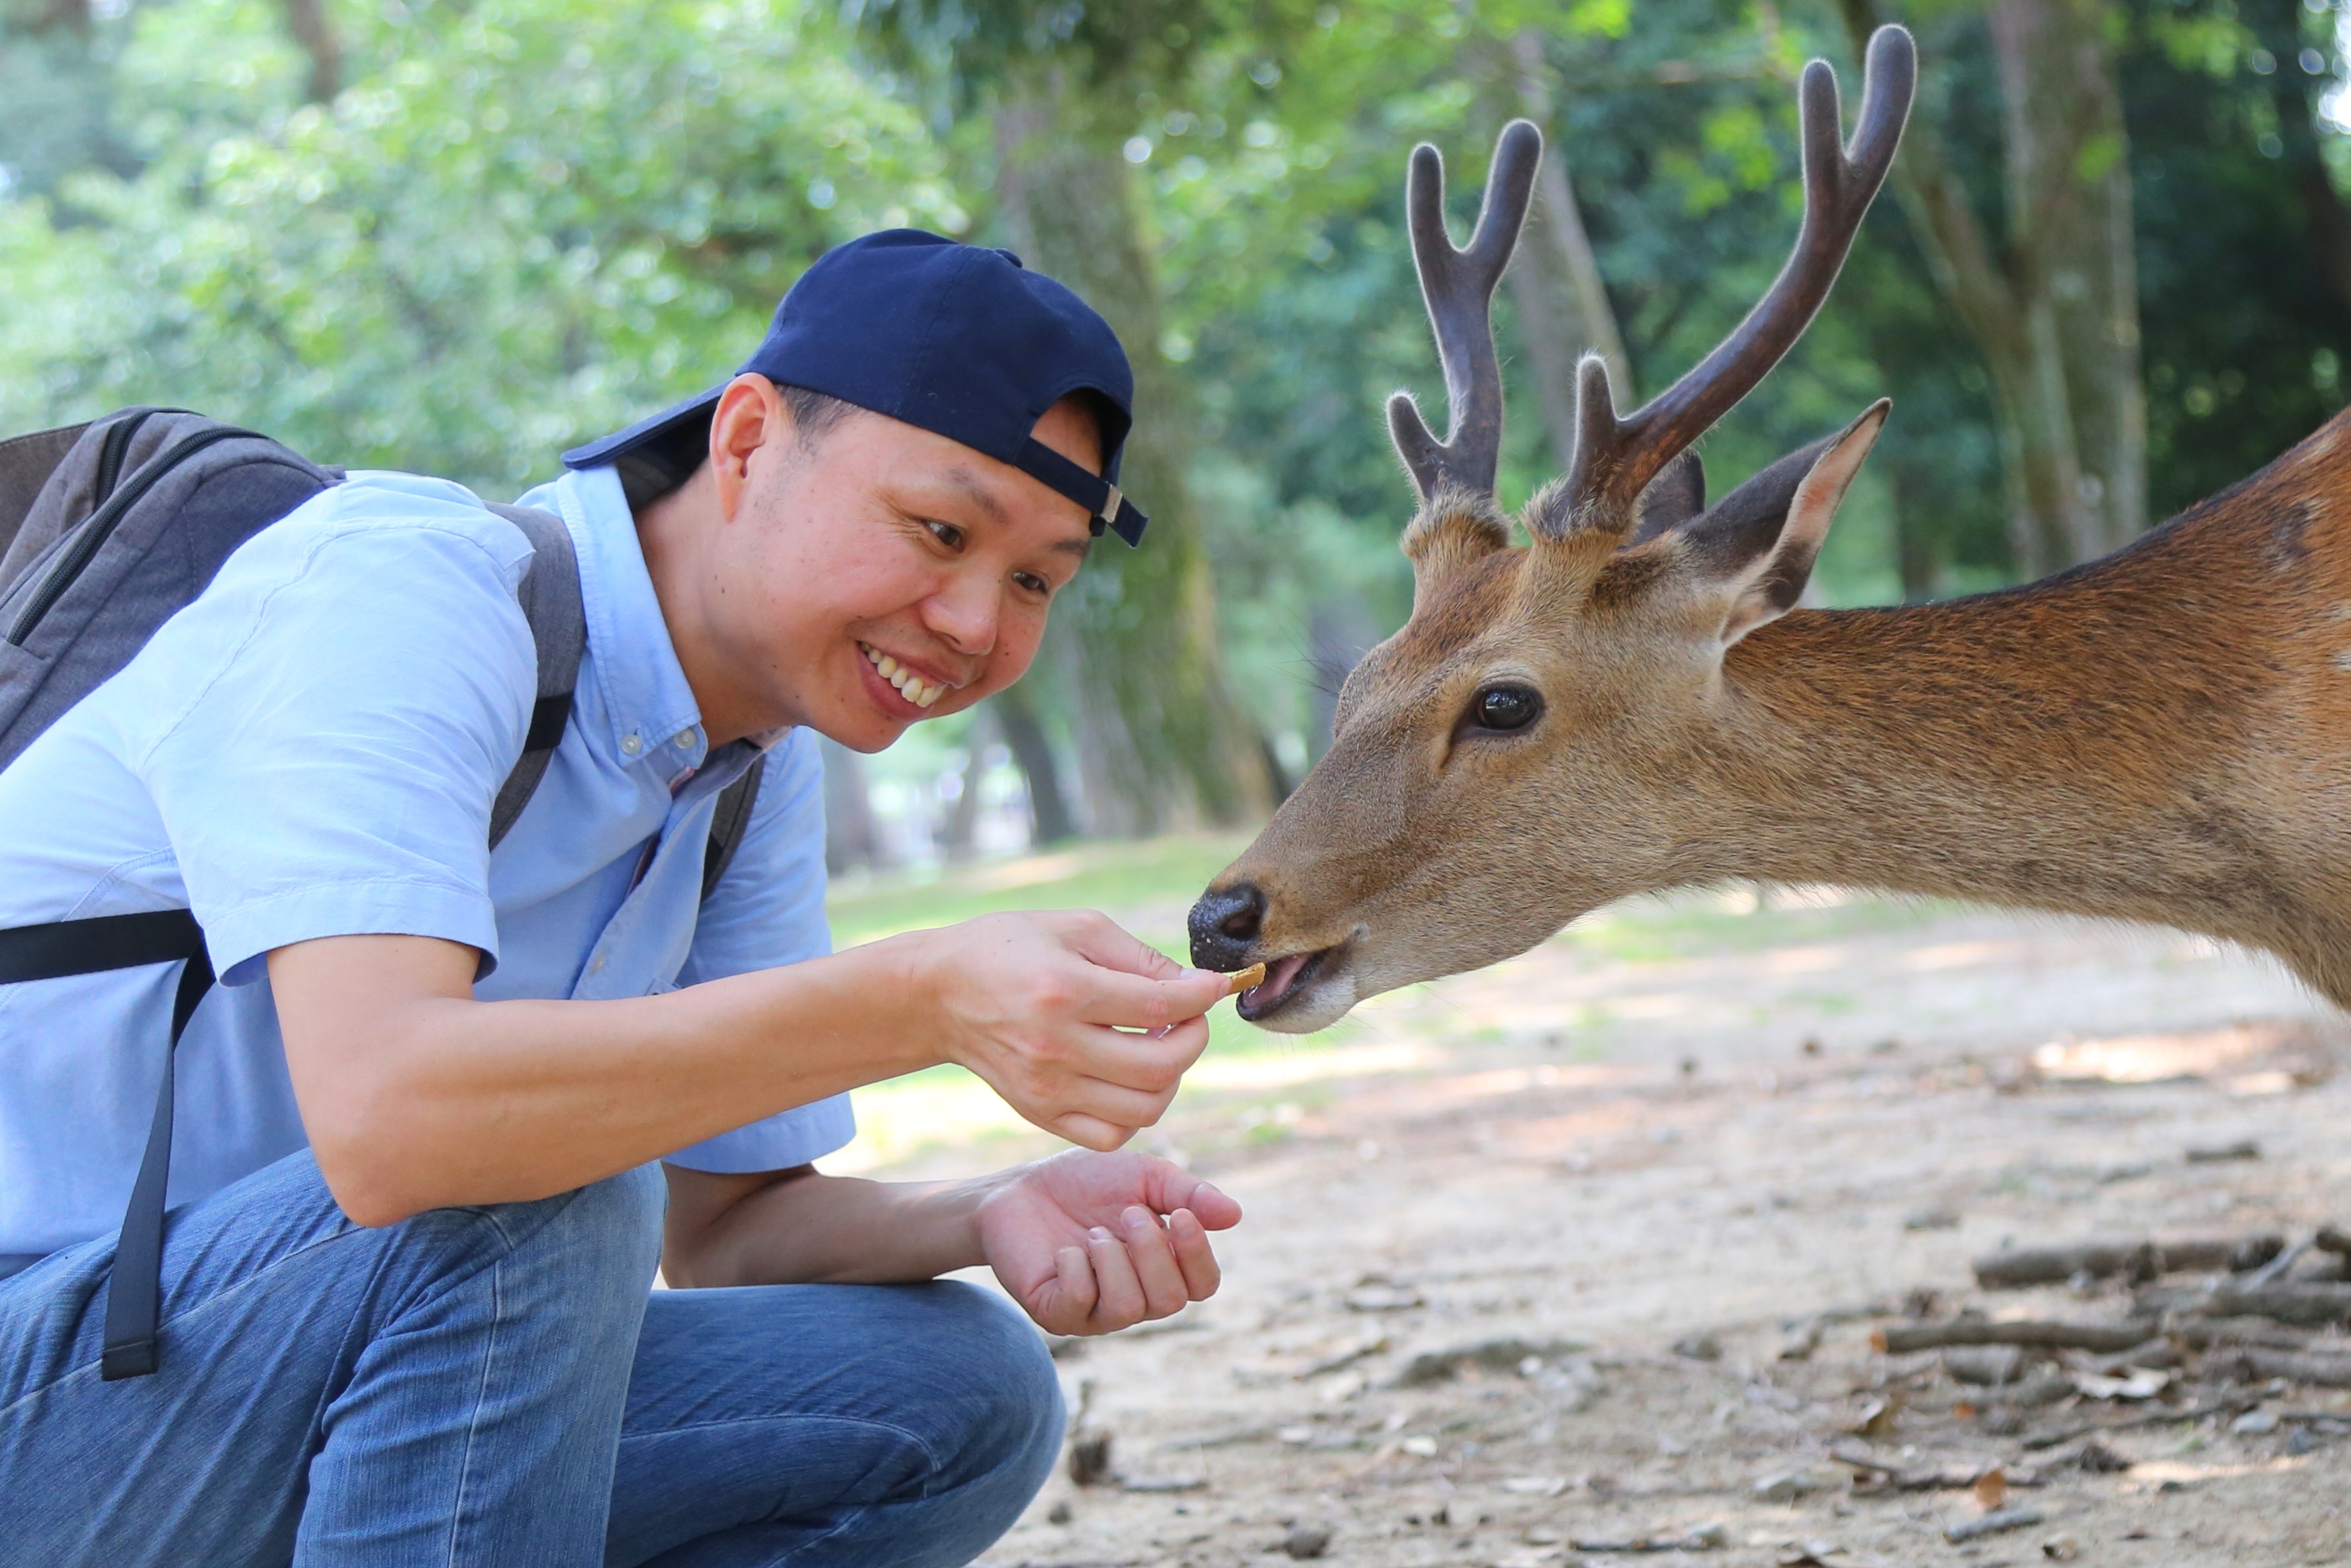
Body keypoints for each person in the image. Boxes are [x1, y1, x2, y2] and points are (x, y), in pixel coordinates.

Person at [0, 230, 1244, 1567]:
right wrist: (923, 998)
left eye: (1035, 581)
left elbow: (730, 1230)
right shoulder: (395, 589)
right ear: (751, 439)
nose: (974, 624)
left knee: (954, 1394)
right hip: (53, 1386)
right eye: (940, 531)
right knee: (537, 1186)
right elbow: (393, 1120)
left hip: (256, 1386)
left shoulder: (754, 763)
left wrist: (989, 1210)